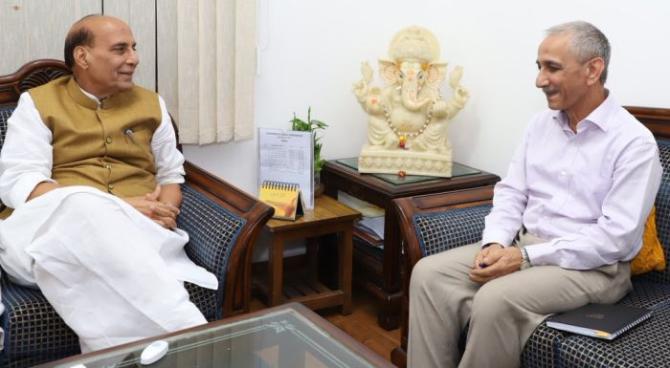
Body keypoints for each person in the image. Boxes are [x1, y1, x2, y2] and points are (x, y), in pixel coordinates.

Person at [408, 21, 662, 368]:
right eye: (539, 67)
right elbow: (512, 193)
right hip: (526, 247)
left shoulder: (634, 143)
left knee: (495, 299)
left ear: (593, 70)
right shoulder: (540, 125)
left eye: (552, 68)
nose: (540, 80)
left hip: (595, 269)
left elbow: (615, 240)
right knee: (428, 274)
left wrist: (526, 258)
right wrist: (495, 244)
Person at [0, 15, 217, 352]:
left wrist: (165, 212)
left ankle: (110, 357)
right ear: (82, 56)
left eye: (133, 48)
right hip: (47, 234)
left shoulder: (151, 104)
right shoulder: (38, 104)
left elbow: (172, 174)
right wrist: (119, 207)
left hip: (141, 234)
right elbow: (20, 181)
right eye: (120, 49)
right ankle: (192, 337)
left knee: (88, 257)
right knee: (81, 207)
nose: (133, 58)